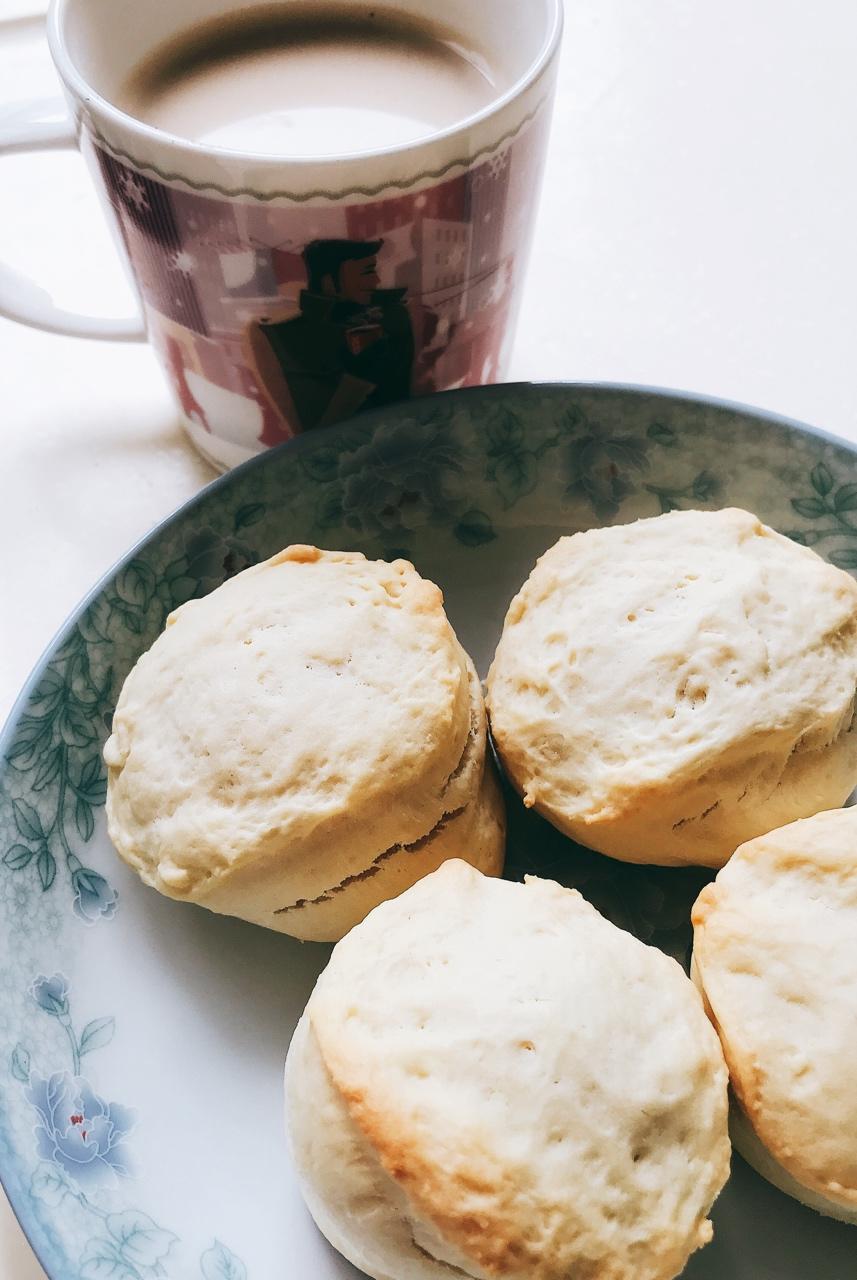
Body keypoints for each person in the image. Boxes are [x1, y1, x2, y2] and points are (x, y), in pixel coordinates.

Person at [248, 239, 415, 433]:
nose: (376, 281)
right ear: (329, 282)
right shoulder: (290, 334)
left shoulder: (386, 314)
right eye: (367, 272)